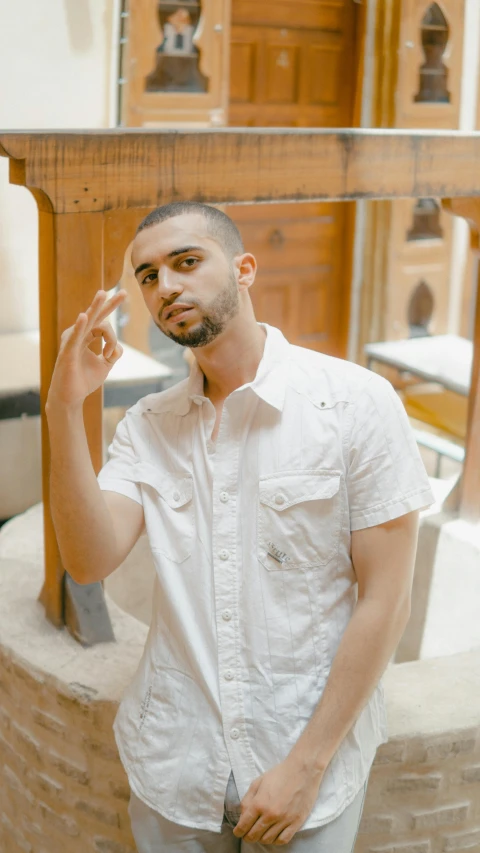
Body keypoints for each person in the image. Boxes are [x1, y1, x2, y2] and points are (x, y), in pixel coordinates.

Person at [46, 202, 435, 852]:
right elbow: (88, 559)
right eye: (147, 275)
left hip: (305, 769)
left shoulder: (355, 404)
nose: (165, 286)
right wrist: (64, 404)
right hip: (176, 769)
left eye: (186, 262)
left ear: (245, 269)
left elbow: (387, 599)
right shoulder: (148, 424)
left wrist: (306, 765)